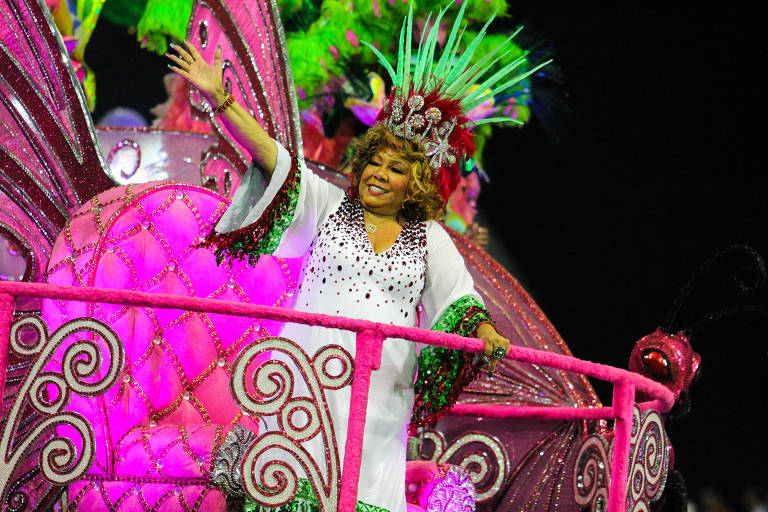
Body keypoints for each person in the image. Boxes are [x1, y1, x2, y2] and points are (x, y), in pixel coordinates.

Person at [166, 4, 531, 509]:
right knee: (286, 483)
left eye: (395, 168)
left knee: (363, 489)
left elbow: (460, 304)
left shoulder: (429, 237)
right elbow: (273, 156)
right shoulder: (329, 204)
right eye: (374, 161)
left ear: (416, 182)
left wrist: (487, 334)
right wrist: (220, 96)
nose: (379, 172)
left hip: (381, 397)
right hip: (305, 375)